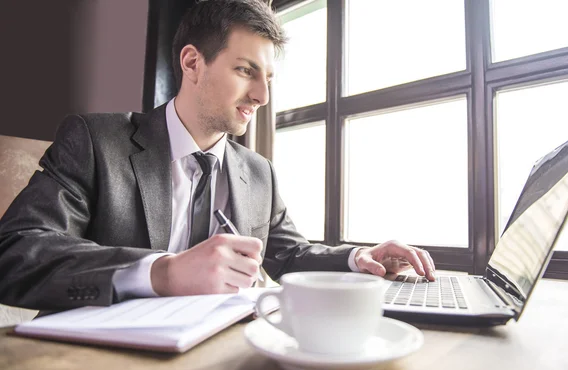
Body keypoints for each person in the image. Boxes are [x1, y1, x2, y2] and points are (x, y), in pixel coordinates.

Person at [0, 0, 435, 312]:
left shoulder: (258, 172)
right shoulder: (95, 141)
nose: (262, 96)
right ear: (192, 63)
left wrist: (359, 258)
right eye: (246, 71)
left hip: (220, 354)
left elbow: (286, 255)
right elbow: (16, 254)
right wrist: (162, 273)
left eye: (267, 78)